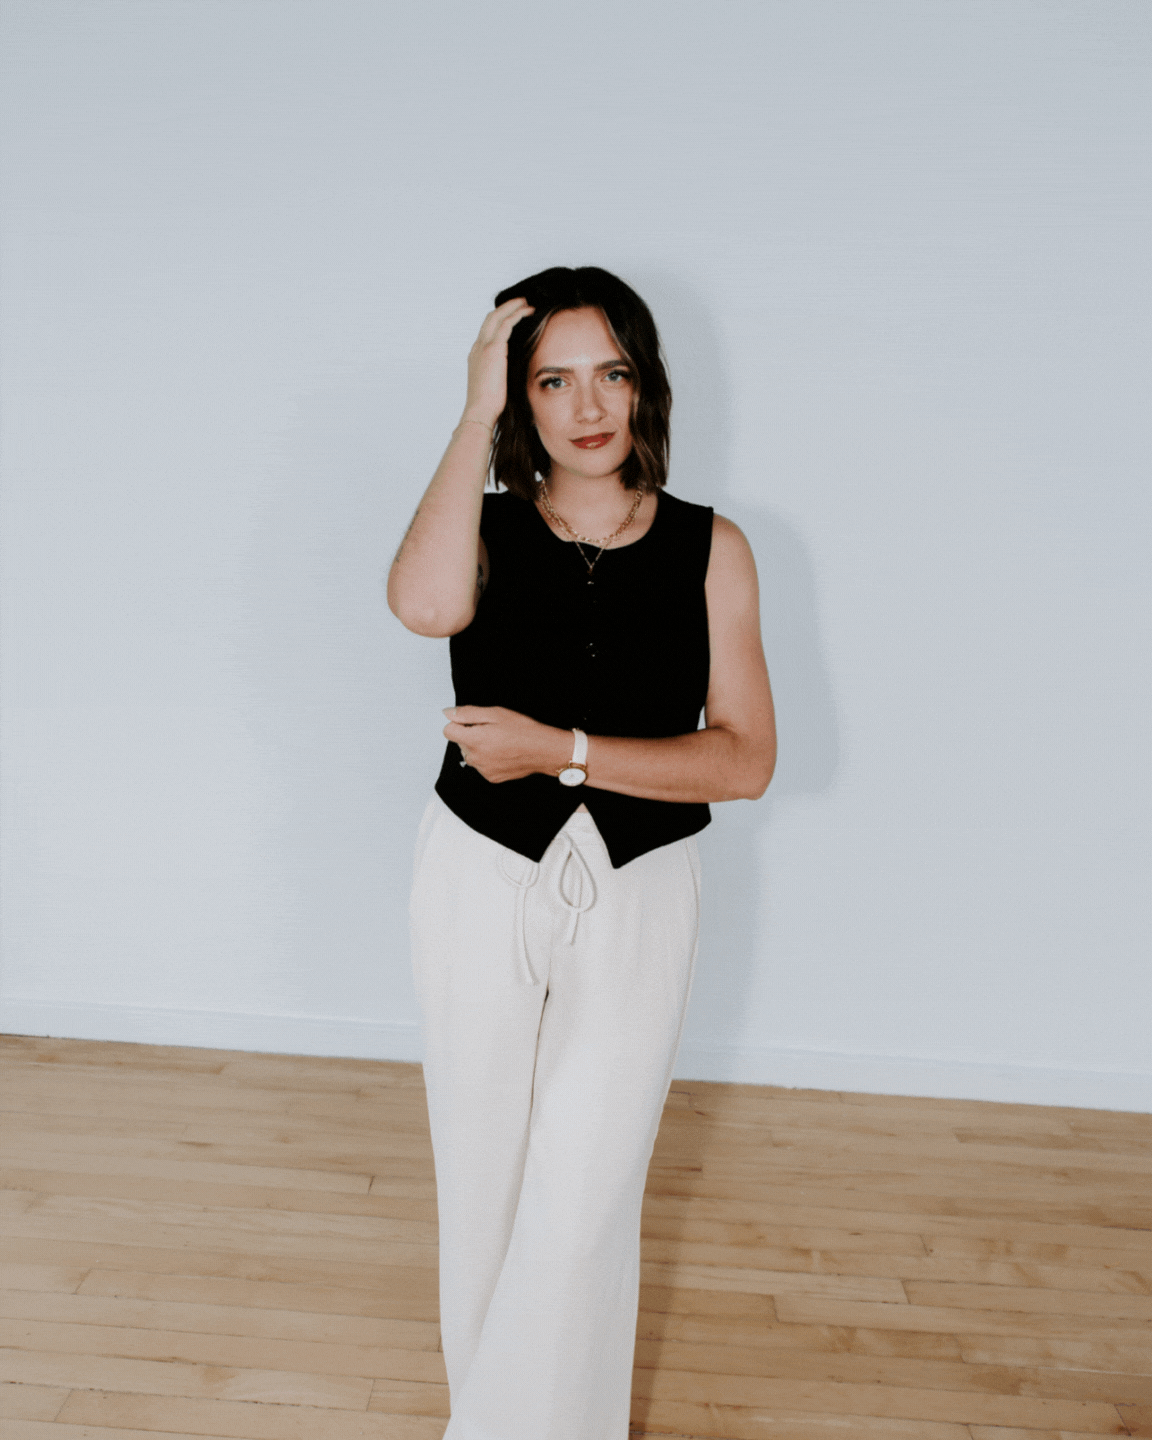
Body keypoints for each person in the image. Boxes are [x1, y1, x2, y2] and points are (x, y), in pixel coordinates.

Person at [388, 266, 776, 1440]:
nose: (587, 404)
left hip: (642, 888)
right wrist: (469, 416)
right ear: (520, 400)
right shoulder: (488, 526)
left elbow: (743, 757)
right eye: (550, 379)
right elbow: (421, 603)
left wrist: (562, 750)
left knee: (586, 1193)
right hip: (475, 873)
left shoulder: (715, 548)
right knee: (486, 1182)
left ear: (647, 383)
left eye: (611, 371)